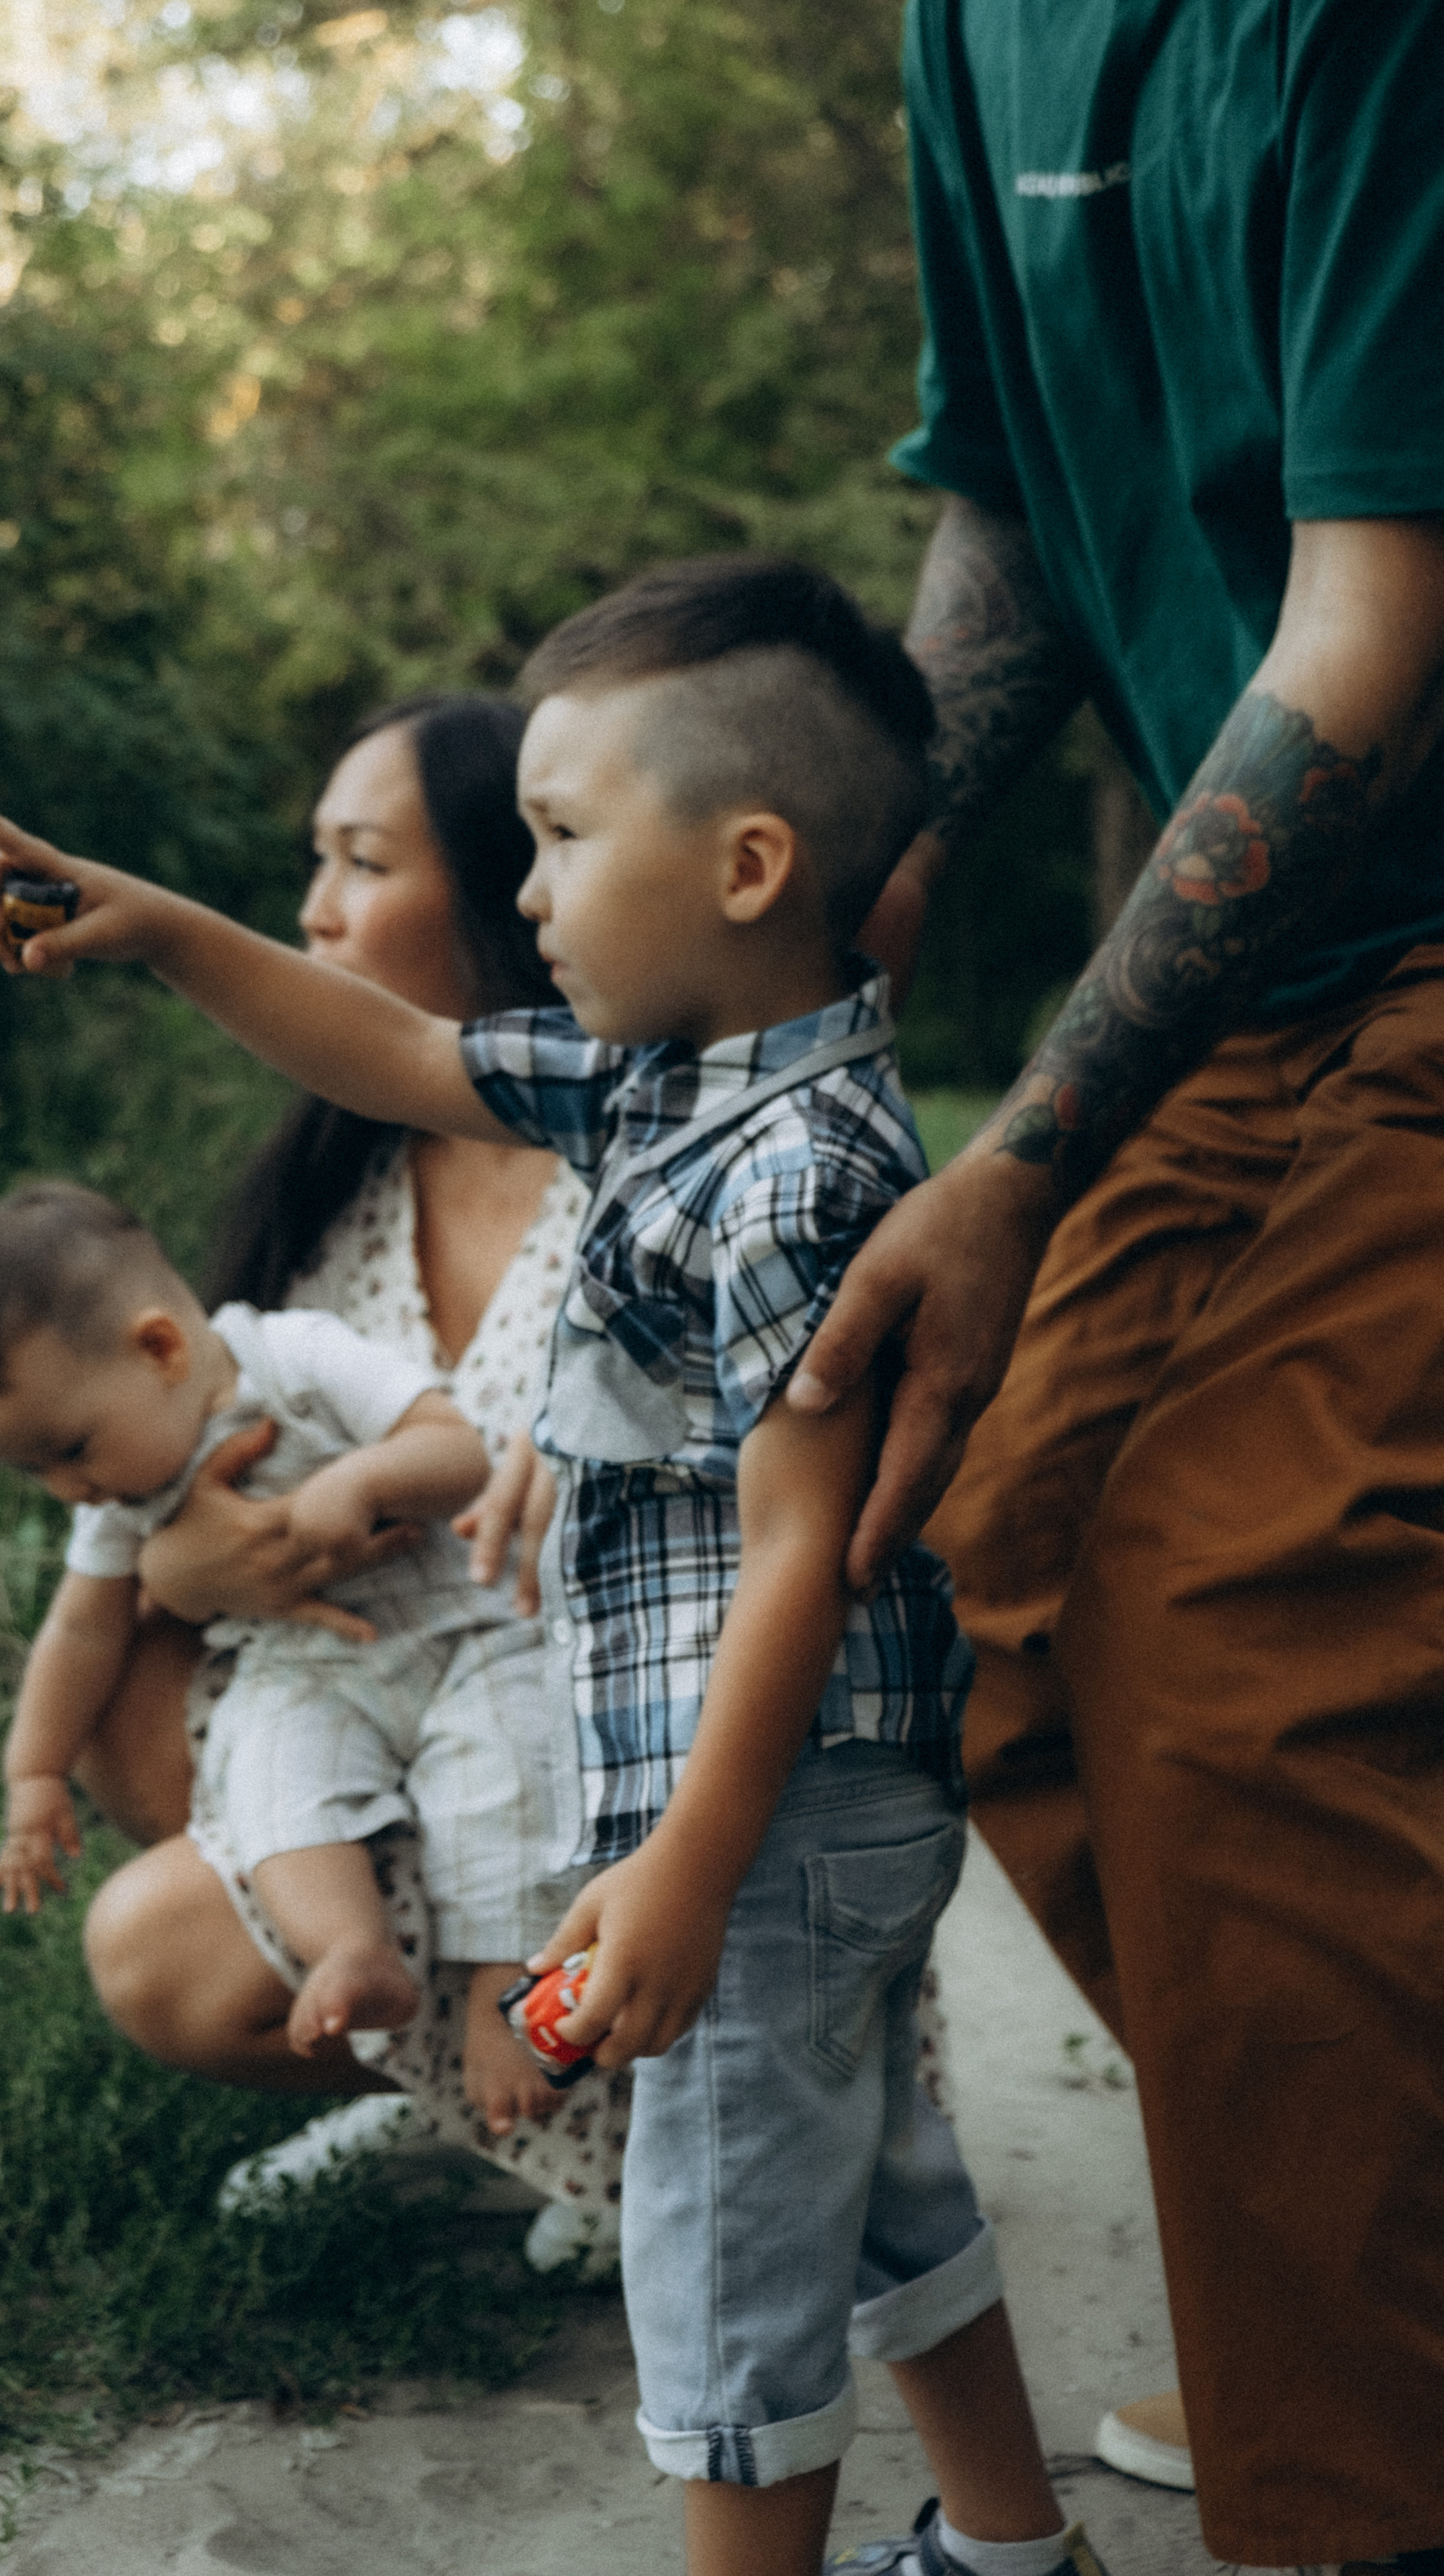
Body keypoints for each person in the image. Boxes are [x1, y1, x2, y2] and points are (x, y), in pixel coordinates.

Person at [0, 555, 1111, 2576]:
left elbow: (802, 1563)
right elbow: (390, 1052)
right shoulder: (671, 1087)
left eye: (563, 840)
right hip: (779, 1800)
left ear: (748, 864)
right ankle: (1016, 2551)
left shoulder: (803, 1177)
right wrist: (162, 933)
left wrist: (685, 1856)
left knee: (724, 2248)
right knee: (873, 2186)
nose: (537, 894)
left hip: (769, 1796)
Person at [774, 6, 1444, 2569]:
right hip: (1263, 977)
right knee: (980, 1574)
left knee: (1235, 1620)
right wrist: (866, 841)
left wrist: (1023, 1152)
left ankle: (1361, 2480)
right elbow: (1018, 518)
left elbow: (1369, 616)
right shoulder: (976, 20)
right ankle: (1368, 2270)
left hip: (1421, 934)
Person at [27, 695, 630, 2260]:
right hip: (380, 1710)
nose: (314, 914)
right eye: (315, 861)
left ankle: (606, 2127)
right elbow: (162, 1472)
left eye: (362, 862)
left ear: (517, 883)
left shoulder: (638, 1154)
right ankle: (473, 2113)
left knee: (169, 1936)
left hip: (609, 1753)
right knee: (126, 1715)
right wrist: (183, 1574)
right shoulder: (336, 1176)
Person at [0, 1179, 547, 2058]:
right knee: (272, 1789)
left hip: (461, 1631)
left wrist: (362, 1479)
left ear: (161, 1348)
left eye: (69, 1450)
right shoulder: (115, 1501)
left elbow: (459, 1453)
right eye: (36, 1471)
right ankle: (350, 1950)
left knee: (507, 1773)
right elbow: (80, 1633)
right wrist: (34, 1774)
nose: (70, 1489)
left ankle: (501, 1995)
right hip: (308, 1674)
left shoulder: (295, 1358)